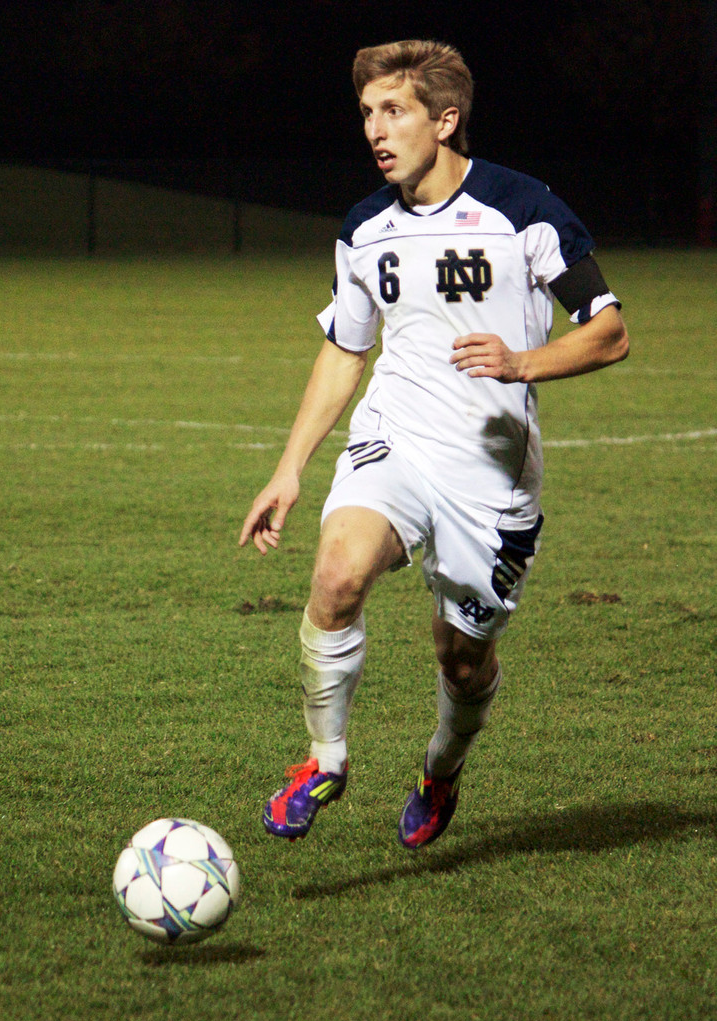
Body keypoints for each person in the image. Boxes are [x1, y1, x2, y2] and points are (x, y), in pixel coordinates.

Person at [239, 39, 629, 850]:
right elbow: (347, 348)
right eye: (367, 114)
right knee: (337, 573)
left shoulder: (522, 209)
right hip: (395, 438)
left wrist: (521, 361)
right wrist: (288, 470)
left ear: (444, 119)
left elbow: (609, 333)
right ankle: (324, 760)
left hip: (489, 475)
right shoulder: (363, 229)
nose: (375, 131)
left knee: (461, 659)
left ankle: (440, 770)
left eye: (394, 111)